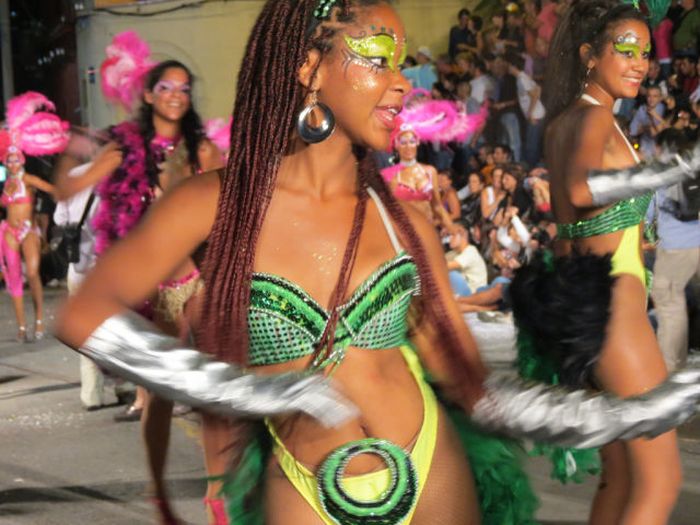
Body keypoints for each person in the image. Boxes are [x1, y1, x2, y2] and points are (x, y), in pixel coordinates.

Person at [56, 2, 700, 524]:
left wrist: (611, 416)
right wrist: (246, 390)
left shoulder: (404, 222)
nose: (401, 83)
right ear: (310, 68)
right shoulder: (215, 203)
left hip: (432, 472)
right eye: (377, 61)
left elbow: (472, 389)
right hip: (301, 485)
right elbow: (83, 314)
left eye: (401, 67)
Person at [516, 1, 700, 522]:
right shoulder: (594, 118)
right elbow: (579, 188)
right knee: (660, 481)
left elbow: (571, 228)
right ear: (589, 56)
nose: (641, 62)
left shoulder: (568, 119)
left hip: (590, 308)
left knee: (620, 477)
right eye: (625, 50)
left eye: (645, 52)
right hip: (615, 316)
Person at [56, 56, 223, 523]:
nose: (176, 94)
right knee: (160, 396)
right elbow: (73, 189)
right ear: (148, 95)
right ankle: (158, 491)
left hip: (201, 278)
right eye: (166, 86)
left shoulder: (203, 151)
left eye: (184, 88)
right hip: (155, 286)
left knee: (212, 391)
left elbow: (228, 209)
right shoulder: (124, 150)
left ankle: (216, 492)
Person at [0, 92, 68, 342]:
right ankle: (21, 327)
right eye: (10, 160)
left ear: (23, 160)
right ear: (6, 162)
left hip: (28, 230)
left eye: (17, 159)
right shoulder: (6, 183)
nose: (13, 163)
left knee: (33, 274)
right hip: (8, 230)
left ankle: (39, 320)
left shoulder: (28, 180)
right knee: (15, 279)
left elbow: (52, 189)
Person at [649, 128, 700, 372]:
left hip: (674, 250)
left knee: (670, 310)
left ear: (661, 148)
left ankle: (671, 372)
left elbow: (646, 216)